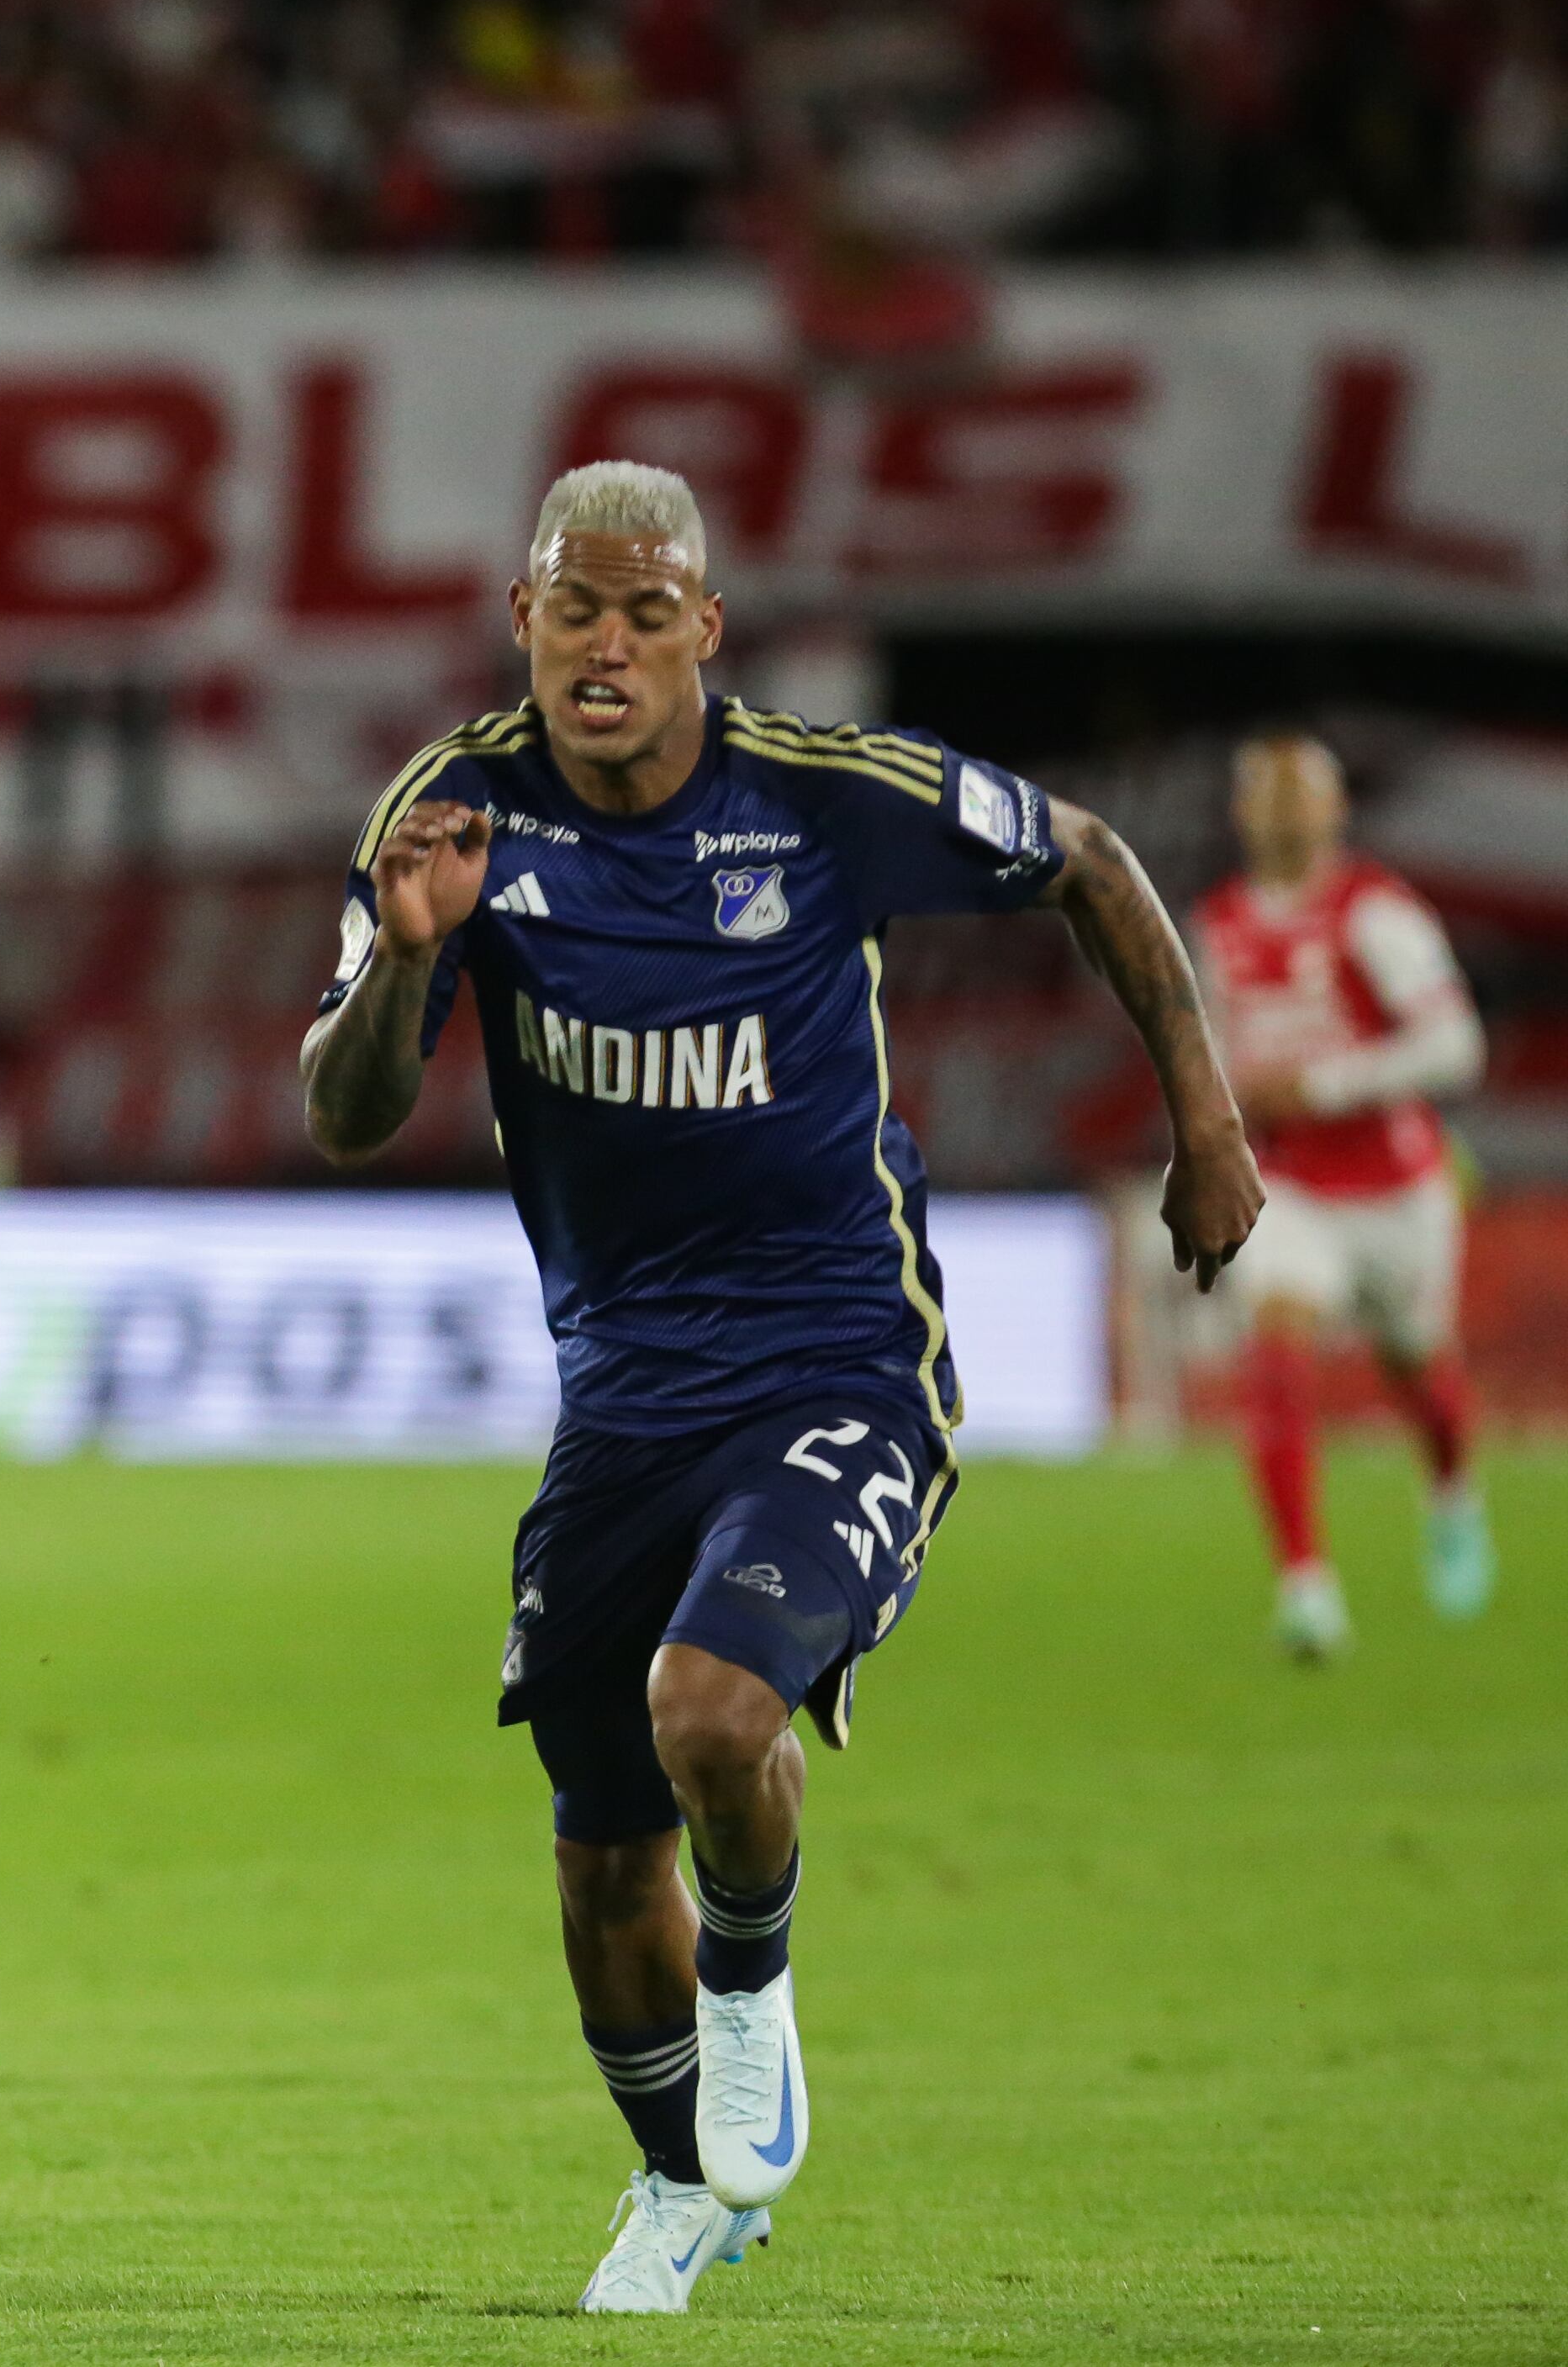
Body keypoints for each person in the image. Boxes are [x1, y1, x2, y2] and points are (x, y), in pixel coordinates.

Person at [300, 462, 1259, 2313]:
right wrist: (402, 966)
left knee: (714, 1706)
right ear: (522, 619)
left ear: (702, 634)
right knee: (594, 1862)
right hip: (621, 1401)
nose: (605, 645)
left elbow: (1088, 856)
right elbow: (343, 1115)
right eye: (573, 609)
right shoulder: (453, 815)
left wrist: (1204, 1119)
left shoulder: (826, 798)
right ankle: (678, 2181)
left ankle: (752, 1994)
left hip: (842, 1358)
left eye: (644, 612)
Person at [1194, 732, 1491, 1656]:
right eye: (1268, 794)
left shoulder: (1376, 914)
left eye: (1302, 794)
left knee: (1419, 1370)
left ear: (1334, 810)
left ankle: (1448, 1489)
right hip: (1287, 1186)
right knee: (1275, 1341)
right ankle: (1304, 1584)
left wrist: (1322, 1086)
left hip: (1396, 1191)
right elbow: (1205, 1049)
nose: (1285, 811)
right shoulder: (1215, 923)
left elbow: (1454, 1047)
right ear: (1242, 812)